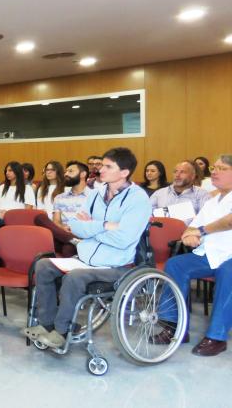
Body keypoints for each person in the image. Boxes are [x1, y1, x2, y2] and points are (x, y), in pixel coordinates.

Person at [24, 148, 151, 349]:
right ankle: (47, 325)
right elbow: (75, 226)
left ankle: (62, 330)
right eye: (102, 165)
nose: (101, 169)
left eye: (108, 166)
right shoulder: (97, 194)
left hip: (116, 265)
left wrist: (91, 226)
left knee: (76, 277)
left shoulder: (138, 199)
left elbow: (124, 239)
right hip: (85, 258)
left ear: (124, 172)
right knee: (43, 266)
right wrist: (104, 225)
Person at [153, 155, 232, 356]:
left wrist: (201, 231)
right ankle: (175, 326)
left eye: (221, 168)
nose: (214, 171)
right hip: (210, 253)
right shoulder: (213, 200)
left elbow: (228, 222)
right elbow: (193, 226)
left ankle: (217, 336)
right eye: (214, 167)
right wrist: (190, 234)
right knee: (176, 264)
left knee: (227, 272)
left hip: (229, 256)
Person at [33, 161, 92, 256]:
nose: (66, 174)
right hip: (62, 232)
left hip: (82, 233)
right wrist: (62, 227)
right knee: (39, 217)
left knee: (67, 248)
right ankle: (71, 240)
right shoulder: (60, 197)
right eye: (66, 171)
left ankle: (72, 241)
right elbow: (56, 221)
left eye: (70, 171)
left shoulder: (94, 196)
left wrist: (77, 229)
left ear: (83, 174)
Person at [150, 160, 210, 224]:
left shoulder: (202, 195)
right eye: (175, 172)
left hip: (188, 232)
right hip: (160, 231)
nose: (177, 175)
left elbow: (206, 219)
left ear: (193, 176)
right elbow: (147, 215)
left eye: (182, 172)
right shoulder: (159, 193)